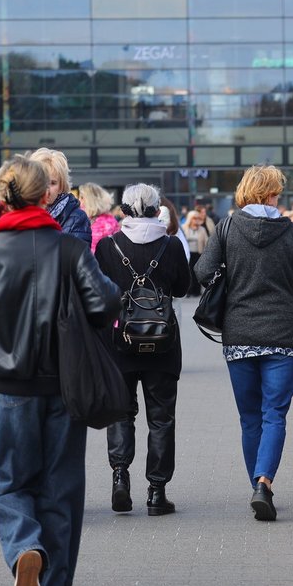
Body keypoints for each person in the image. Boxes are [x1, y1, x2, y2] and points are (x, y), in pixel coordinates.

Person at [0, 155, 120, 586]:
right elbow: (104, 303)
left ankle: (24, 548)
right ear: (47, 194)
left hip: (10, 383)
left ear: (4, 193)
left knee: (10, 482)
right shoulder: (69, 248)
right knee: (62, 487)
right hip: (65, 380)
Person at [194, 165, 293, 522]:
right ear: (272, 193)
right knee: (274, 414)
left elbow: (202, 271)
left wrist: (233, 276)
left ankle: (257, 487)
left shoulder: (228, 227)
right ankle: (264, 482)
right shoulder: (288, 230)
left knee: (249, 418)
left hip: (239, 334)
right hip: (281, 334)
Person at [96, 184, 190, 517]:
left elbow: (99, 294)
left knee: (121, 413)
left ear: (123, 211)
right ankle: (156, 492)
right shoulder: (171, 245)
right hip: (162, 344)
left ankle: (120, 477)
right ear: (156, 210)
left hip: (119, 342)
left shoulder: (108, 246)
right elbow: (184, 288)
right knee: (161, 418)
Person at [26, 147, 92, 246]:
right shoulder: (22, 212)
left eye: (53, 183)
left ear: (61, 186)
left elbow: (79, 254)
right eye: (41, 181)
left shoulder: (77, 218)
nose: (47, 189)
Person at [77, 182, 119, 254]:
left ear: (91, 200)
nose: (79, 200)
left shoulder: (108, 223)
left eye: (82, 197)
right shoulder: (82, 219)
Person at [183, 210, 208, 297]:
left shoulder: (202, 229)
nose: (196, 220)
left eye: (198, 218)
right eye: (194, 218)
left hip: (198, 254)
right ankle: (188, 290)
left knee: (197, 273)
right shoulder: (184, 228)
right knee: (188, 273)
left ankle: (196, 291)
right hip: (187, 254)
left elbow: (207, 242)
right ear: (190, 219)